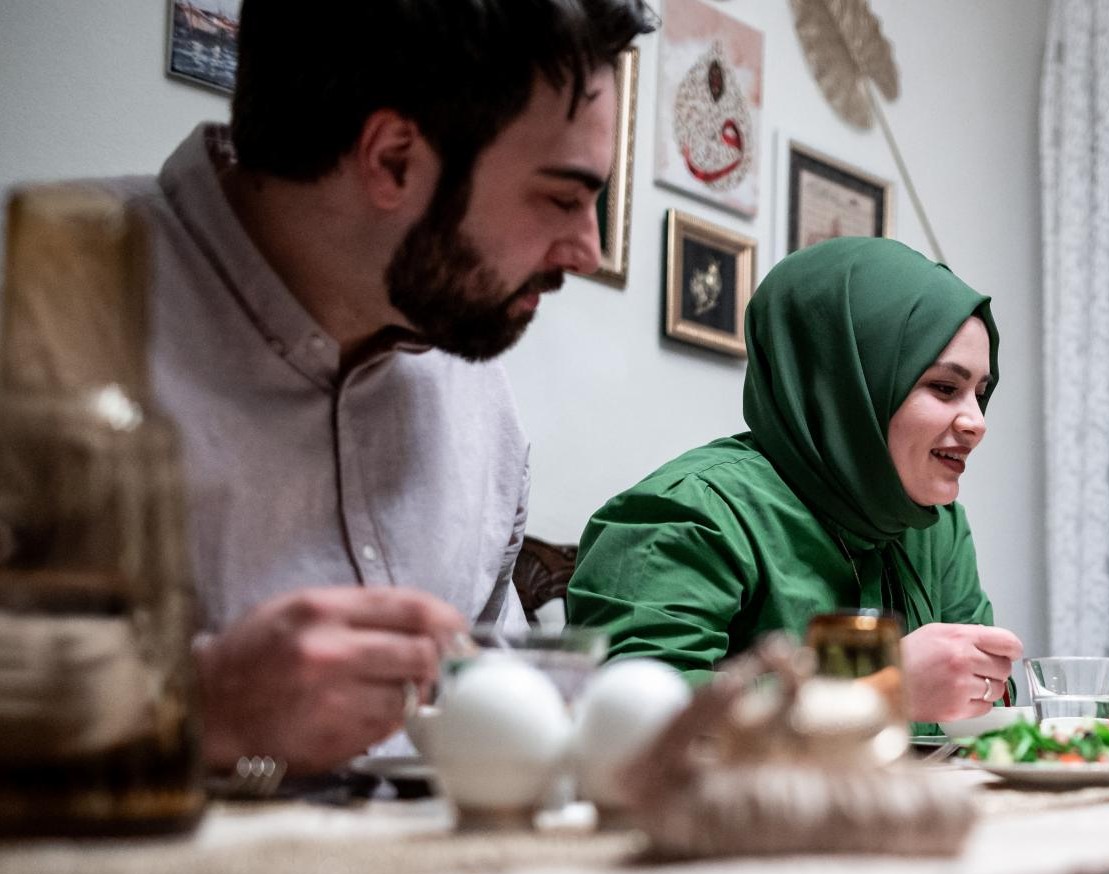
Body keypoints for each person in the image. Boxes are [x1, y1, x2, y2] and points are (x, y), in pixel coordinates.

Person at [63, 0, 656, 774]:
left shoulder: (479, 395)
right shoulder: (37, 309)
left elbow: (499, 718)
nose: (588, 250)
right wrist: (196, 704)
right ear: (392, 160)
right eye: (563, 196)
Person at [566, 237, 1023, 723]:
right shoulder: (690, 514)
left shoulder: (938, 527)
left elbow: (987, 697)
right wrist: (878, 685)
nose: (977, 422)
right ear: (848, 385)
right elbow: (634, 729)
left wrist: (983, 684)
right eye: (944, 387)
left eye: (980, 392)